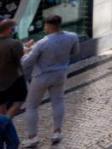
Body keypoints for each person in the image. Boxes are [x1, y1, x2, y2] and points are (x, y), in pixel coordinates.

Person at [20, 15, 78, 146]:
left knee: (32, 106)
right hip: (60, 74)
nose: (44, 28)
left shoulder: (42, 43)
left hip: (41, 76)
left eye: (45, 25)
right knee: (58, 101)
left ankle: (32, 137)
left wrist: (24, 52)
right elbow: (75, 52)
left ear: (48, 25)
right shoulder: (72, 36)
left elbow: (27, 63)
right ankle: (57, 132)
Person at [0, 21, 23, 120]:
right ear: (9, 29)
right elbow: (20, 60)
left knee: (2, 104)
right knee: (19, 100)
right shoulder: (14, 43)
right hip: (10, 79)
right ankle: (4, 125)